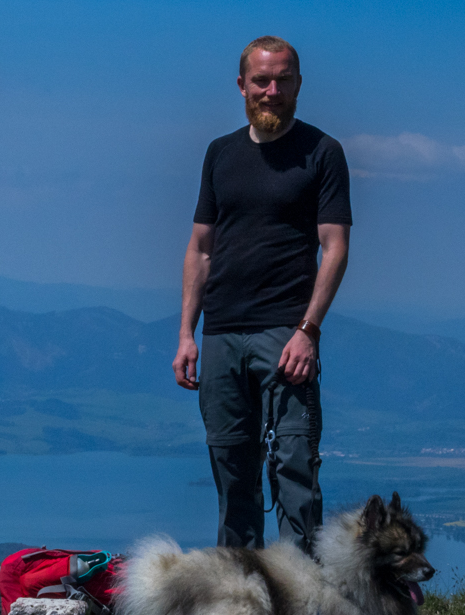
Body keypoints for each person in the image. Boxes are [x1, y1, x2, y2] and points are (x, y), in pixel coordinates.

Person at [171, 36, 352, 554]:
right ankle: (240, 600)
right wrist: (187, 333)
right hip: (222, 329)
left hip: (286, 332)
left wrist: (307, 331)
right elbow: (201, 247)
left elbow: (335, 248)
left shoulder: (322, 152)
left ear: (298, 83)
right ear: (242, 85)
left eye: (283, 80)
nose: (272, 91)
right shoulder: (220, 153)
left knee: (294, 467)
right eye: (261, 81)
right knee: (232, 470)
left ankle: (304, 604)